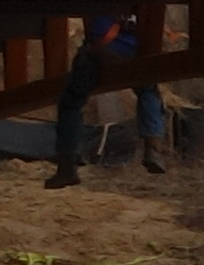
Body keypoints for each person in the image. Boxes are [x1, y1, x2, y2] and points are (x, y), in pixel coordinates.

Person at [50, 12, 169, 188]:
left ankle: (67, 165)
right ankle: (153, 150)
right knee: (148, 91)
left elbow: (97, 34)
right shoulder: (146, 5)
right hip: (135, 55)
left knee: (71, 101)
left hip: (98, 56)